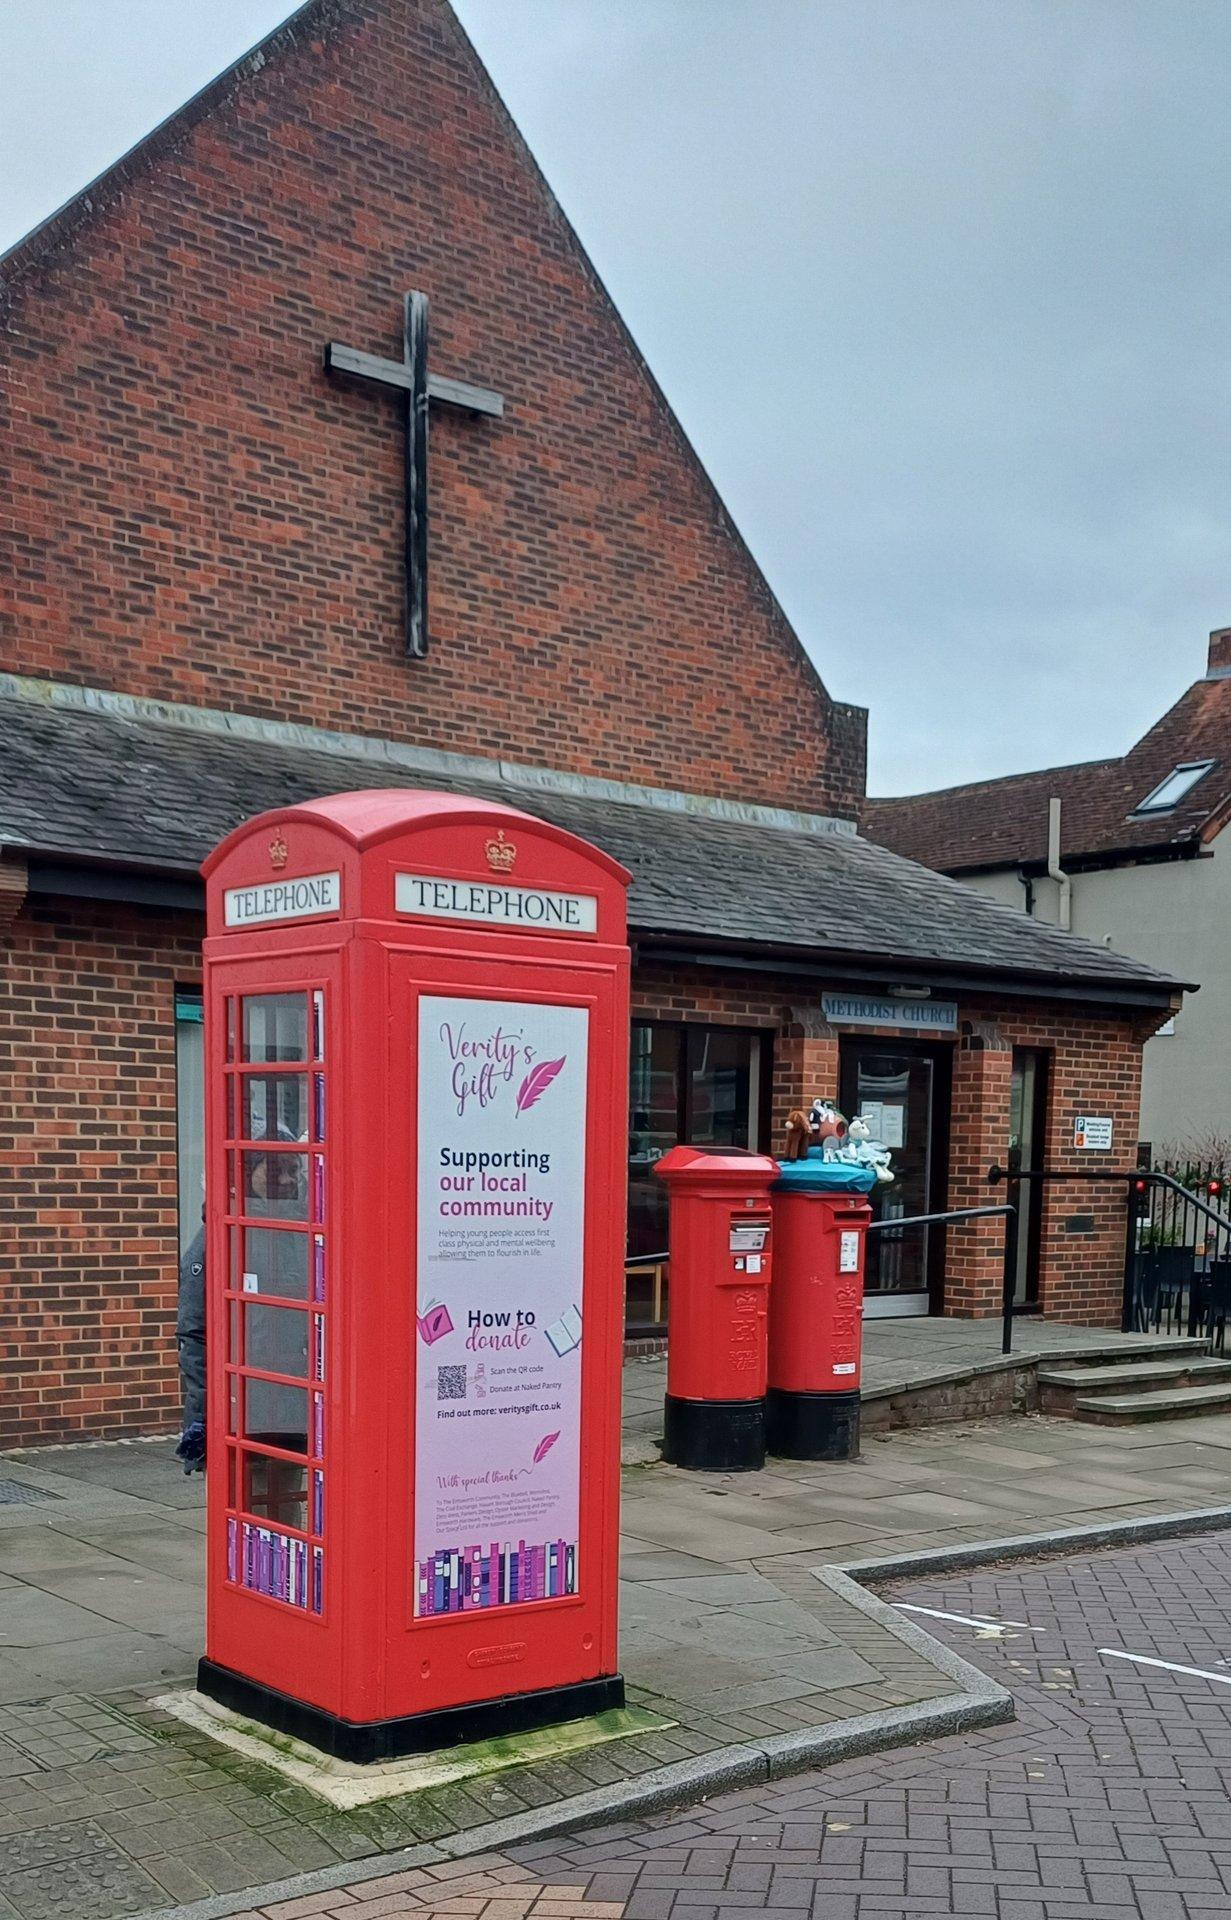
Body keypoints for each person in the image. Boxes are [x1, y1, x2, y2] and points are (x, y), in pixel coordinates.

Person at [176, 1222, 207, 1473]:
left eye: (290, 1176)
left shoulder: (297, 1229)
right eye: (271, 1177)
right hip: (236, 1402)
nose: (285, 1180)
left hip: (288, 1403)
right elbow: (193, 1330)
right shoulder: (208, 1244)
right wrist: (203, 1412)